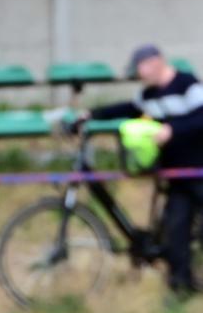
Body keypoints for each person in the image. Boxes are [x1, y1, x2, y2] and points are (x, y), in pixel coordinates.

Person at [86, 44, 203, 298]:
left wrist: (174, 129)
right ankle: (182, 289)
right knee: (176, 229)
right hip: (177, 177)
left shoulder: (188, 84)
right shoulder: (149, 96)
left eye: (140, 69)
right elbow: (127, 108)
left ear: (155, 62)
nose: (139, 75)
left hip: (198, 171)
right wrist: (92, 114)